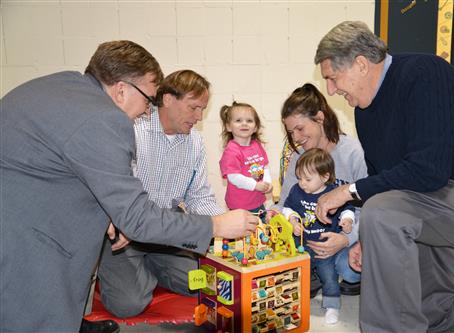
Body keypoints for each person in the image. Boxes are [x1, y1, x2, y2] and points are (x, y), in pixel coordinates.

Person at [0, 40, 259, 333]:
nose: (148, 110)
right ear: (121, 90)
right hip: (39, 239)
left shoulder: (64, 87)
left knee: (199, 281)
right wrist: (215, 227)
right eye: (149, 99)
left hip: (152, 230)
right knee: (106, 303)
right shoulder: (108, 120)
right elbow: (137, 217)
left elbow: (68, 169)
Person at [314, 21, 454, 332]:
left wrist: (348, 191)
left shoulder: (426, 74)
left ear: (360, 64)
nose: (331, 90)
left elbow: (428, 170)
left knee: (384, 215)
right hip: (434, 199)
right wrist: (366, 237)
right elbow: (385, 179)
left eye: (332, 78)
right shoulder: (365, 110)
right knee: (430, 313)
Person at [97, 69, 225, 318]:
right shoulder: (133, 129)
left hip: (166, 234)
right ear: (168, 99)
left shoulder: (195, 142)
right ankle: (131, 268)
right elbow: (110, 191)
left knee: (205, 284)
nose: (199, 117)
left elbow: (197, 195)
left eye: (203, 109)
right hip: (125, 233)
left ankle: (150, 267)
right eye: (194, 108)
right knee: (129, 304)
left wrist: (224, 222)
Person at [275, 83, 366, 296]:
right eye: (291, 132)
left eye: (300, 129)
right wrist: (277, 217)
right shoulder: (299, 158)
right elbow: (284, 203)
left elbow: (371, 208)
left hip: (345, 233)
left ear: (319, 118)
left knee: (348, 270)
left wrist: (348, 239)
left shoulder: (353, 153)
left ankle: (330, 268)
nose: (296, 138)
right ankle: (314, 270)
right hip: (307, 238)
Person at [283, 148, 354, 325]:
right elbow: (288, 207)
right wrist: (292, 220)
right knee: (299, 274)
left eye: (307, 179)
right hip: (303, 245)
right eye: (299, 177)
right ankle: (296, 301)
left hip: (325, 248)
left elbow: (348, 208)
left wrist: (347, 220)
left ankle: (332, 306)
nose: (302, 183)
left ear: (324, 176)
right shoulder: (297, 191)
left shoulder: (333, 192)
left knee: (329, 276)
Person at [219, 101, 272, 213]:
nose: (244, 124)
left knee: (261, 230)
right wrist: (255, 185)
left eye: (249, 121)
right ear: (228, 126)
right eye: (238, 120)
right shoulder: (231, 151)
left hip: (258, 203)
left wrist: (267, 183)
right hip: (240, 206)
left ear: (255, 127)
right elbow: (233, 177)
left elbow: (265, 167)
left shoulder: (257, 145)